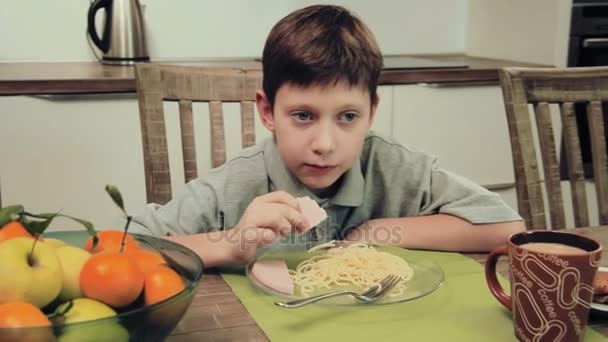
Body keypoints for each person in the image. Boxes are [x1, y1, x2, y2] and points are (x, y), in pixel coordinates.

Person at [134, 4, 525, 267]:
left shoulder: (398, 169)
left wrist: (377, 232)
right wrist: (231, 243)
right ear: (268, 111)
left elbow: (509, 229)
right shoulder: (232, 186)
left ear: (372, 112)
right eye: (303, 115)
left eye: (348, 116)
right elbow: (127, 249)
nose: (324, 143)